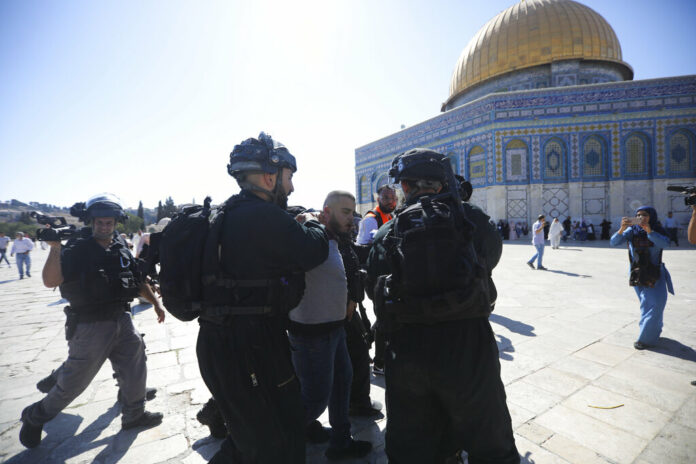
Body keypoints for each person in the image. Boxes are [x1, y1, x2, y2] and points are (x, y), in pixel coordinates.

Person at [366, 148, 519, 464]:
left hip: (407, 348)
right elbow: (489, 260)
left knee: (413, 440)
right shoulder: (470, 219)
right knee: (488, 436)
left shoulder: (387, 232)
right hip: (467, 342)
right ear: (441, 183)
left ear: (404, 187)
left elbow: (374, 289)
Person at [195, 132, 329, 464]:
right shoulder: (264, 216)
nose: (292, 188)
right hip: (253, 346)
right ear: (271, 176)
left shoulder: (223, 214)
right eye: (289, 177)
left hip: (216, 340)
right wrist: (313, 224)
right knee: (280, 440)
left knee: (247, 434)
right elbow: (313, 251)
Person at [19, 194, 165, 449]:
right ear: (91, 221)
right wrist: (55, 248)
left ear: (116, 223)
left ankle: (134, 415)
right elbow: (51, 281)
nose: (104, 227)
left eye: (109, 222)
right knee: (73, 384)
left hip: (122, 316)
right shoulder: (76, 247)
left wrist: (156, 302)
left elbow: (136, 279)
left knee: (135, 366)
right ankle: (35, 416)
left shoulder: (119, 244)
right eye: (99, 222)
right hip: (90, 325)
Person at [288, 191, 372, 460]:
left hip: (334, 331)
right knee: (315, 399)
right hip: (312, 336)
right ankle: (273, 442)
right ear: (327, 211)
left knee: (341, 387)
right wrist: (309, 220)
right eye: (345, 212)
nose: (352, 218)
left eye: (352, 212)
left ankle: (340, 443)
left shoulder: (334, 238)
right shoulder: (312, 236)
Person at [610, 206, 673, 350]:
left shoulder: (657, 230)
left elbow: (665, 243)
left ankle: (645, 338)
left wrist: (649, 231)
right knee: (648, 304)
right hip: (637, 274)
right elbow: (613, 242)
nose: (640, 217)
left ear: (652, 216)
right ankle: (651, 333)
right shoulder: (632, 231)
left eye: (644, 215)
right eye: (637, 215)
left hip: (655, 273)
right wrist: (621, 229)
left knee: (655, 304)